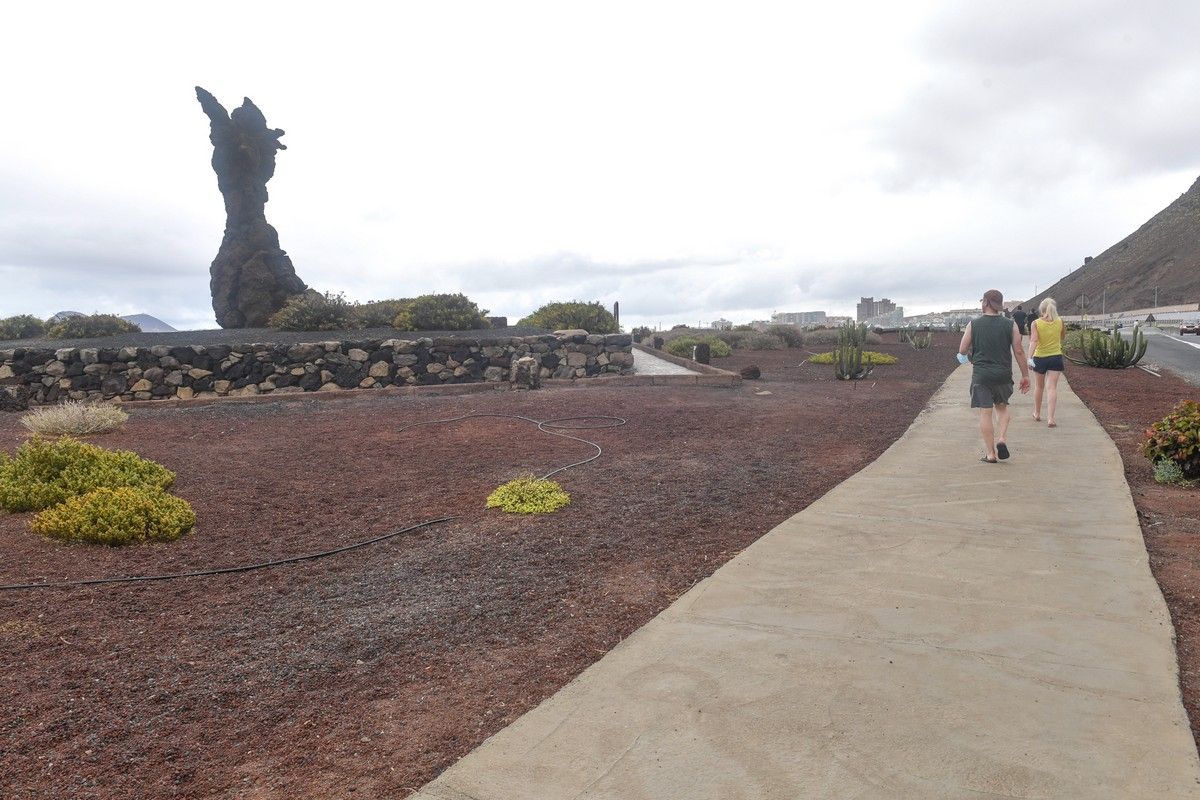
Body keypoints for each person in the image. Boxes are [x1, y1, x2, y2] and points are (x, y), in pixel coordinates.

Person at [958, 289, 1031, 463]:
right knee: (1002, 408)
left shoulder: (973, 325)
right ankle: (1002, 439)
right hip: (1002, 375)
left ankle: (990, 454)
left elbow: (962, 350)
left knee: (985, 412)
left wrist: (972, 357)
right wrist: (1025, 375)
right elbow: (1019, 351)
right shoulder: (1010, 324)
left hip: (981, 376)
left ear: (986, 303)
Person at [1028, 297, 1065, 427]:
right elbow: (1062, 337)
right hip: (1056, 357)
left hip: (1040, 358)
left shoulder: (1036, 323)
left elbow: (1034, 341)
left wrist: (1029, 358)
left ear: (1041, 310)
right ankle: (1051, 418)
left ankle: (1037, 413)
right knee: (1052, 387)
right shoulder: (1060, 321)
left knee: (1039, 386)